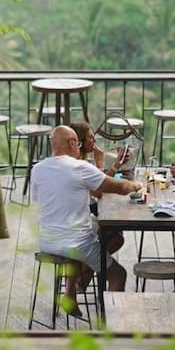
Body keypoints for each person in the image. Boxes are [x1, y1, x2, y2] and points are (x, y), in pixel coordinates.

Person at [33, 125, 142, 313]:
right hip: (76, 244)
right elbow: (119, 188)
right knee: (118, 274)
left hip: (46, 241)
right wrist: (136, 185)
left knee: (99, 233)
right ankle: (112, 328)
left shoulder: (38, 169)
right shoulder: (80, 167)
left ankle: (74, 288)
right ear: (73, 142)